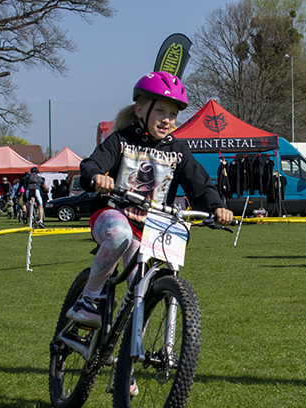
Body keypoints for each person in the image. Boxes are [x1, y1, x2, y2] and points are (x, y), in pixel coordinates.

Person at [66, 71, 233, 329]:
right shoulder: (121, 140)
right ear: (141, 110)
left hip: (148, 228)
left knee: (140, 287)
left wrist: (217, 207)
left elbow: (200, 185)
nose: (167, 120)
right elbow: (92, 164)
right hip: (112, 215)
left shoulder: (178, 151)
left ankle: (128, 351)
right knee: (119, 235)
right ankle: (88, 300)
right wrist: (98, 176)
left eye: (173, 114)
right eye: (161, 112)